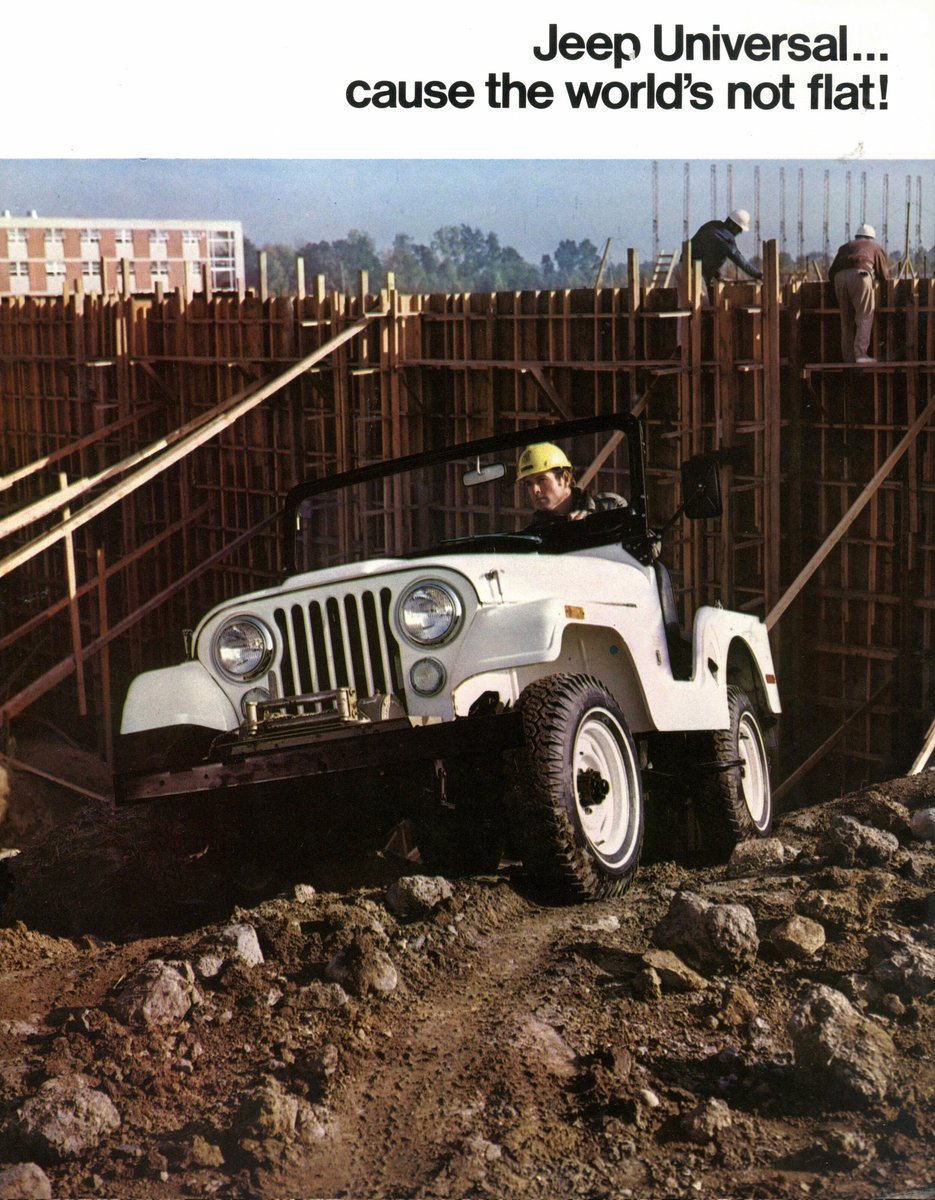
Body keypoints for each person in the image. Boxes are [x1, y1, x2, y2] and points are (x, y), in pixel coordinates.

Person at [516, 443, 627, 528]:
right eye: (528, 484)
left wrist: (594, 522)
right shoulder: (533, 534)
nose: (535, 490)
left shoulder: (609, 507)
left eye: (541, 480)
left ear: (565, 478)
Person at [828, 223, 890, 364]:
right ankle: (861, 355)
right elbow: (884, 274)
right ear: (871, 238)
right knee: (865, 315)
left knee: (846, 320)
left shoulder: (844, 247)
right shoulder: (874, 247)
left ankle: (848, 358)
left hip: (839, 278)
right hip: (860, 276)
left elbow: (831, 274)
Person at [689, 209, 763, 300]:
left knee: (685, 307)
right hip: (695, 275)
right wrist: (759, 275)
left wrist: (716, 274)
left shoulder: (712, 225)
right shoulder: (726, 239)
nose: (739, 233)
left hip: (681, 269)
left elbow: (703, 253)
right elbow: (742, 262)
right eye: (739, 229)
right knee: (703, 309)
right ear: (732, 224)